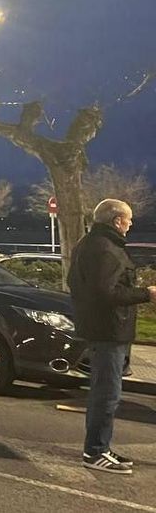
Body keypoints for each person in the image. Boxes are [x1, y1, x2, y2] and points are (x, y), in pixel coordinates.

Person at [68, 199, 156, 474]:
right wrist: (146, 294)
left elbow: (79, 284)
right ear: (117, 220)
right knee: (107, 394)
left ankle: (100, 448)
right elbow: (106, 292)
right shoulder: (105, 249)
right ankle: (95, 451)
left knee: (106, 392)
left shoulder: (91, 244)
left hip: (105, 329)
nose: (131, 224)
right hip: (108, 331)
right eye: (128, 219)